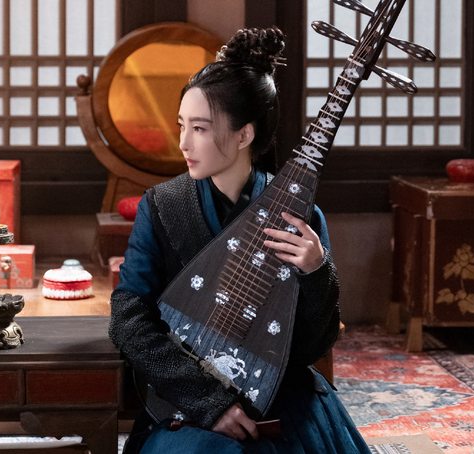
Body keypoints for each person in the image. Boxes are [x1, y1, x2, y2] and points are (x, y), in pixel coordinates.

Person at [109, 26, 370, 454]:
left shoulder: (301, 217)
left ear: (244, 135)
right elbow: (128, 318)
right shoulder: (162, 207)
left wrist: (316, 272)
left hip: (279, 394)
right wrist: (208, 403)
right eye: (181, 125)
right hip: (188, 400)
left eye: (200, 129)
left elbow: (313, 345)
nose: (183, 143)